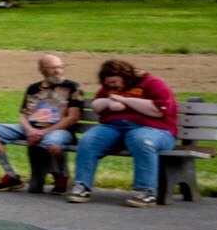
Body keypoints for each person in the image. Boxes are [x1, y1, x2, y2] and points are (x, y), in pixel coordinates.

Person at [69, 58, 179, 207]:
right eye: (108, 83)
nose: (111, 86)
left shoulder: (152, 83)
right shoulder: (108, 87)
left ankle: (147, 191)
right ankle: (82, 186)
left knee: (141, 140)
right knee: (88, 140)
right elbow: (96, 104)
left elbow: (159, 111)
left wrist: (125, 100)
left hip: (155, 129)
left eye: (114, 82)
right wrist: (108, 102)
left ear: (126, 77)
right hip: (114, 127)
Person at [0, 53, 84, 193]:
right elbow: (23, 116)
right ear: (41, 69)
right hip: (32, 129)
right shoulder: (33, 89)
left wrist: (42, 132)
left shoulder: (72, 87)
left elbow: (73, 118)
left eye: (60, 67)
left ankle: (61, 176)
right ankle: (11, 176)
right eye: (52, 68)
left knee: (53, 144)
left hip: (58, 130)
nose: (57, 71)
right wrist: (30, 131)